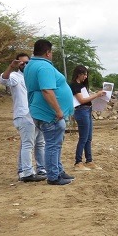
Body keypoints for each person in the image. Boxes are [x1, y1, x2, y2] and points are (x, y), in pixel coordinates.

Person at [23, 39, 75, 185]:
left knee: (55, 144)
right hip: (49, 114)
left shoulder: (30, 65)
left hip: (41, 111)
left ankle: (58, 170)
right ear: (47, 52)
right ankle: (53, 176)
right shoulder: (43, 67)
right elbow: (47, 90)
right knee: (52, 144)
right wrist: (58, 110)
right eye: (51, 52)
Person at [0, 53, 47, 182]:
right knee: (28, 144)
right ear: (17, 64)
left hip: (37, 114)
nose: (25, 65)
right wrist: (11, 67)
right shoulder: (15, 76)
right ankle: (26, 172)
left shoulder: (33, 77)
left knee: (39, 143)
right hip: (24, 115)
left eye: (27, 62)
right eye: (22, 63)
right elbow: (3, 80)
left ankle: (41, 169)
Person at [69, 66, 105, 171]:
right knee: (83, 138)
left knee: (88, 138)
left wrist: (97, 95)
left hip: (87, 111)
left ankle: (89, 160)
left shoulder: (81, 85)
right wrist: (96, 95)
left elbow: (86, 99)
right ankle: (78, 162)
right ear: (78, 74)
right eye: (84, 74)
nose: (85, 76)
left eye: (86, 74)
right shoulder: (74, 85)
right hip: (81, 111)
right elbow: (82, 100)